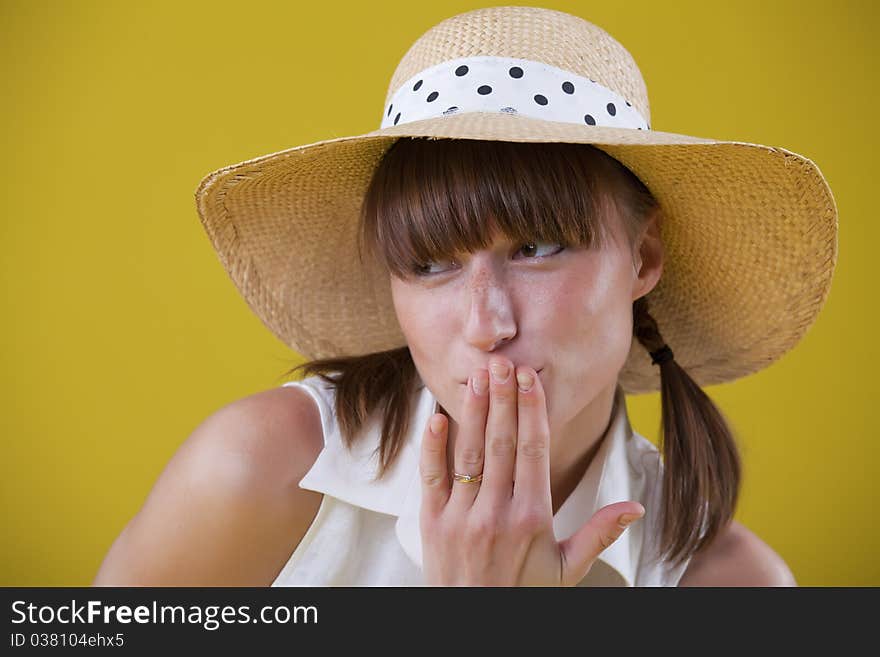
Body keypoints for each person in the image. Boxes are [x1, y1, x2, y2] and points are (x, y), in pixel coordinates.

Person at [93, 6, 835, 586]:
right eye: (429, 263)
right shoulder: (265, 470)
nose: (486, 324)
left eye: (537, 248)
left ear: (642, 258)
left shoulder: (728, 583)